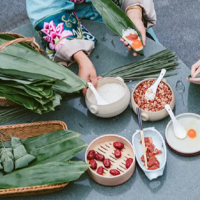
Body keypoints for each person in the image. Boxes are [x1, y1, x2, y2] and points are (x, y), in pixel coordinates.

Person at [26, 0, 157, 95]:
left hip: (117, 17)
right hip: (70, 29)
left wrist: (134, 12)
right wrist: (81, 58)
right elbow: (45, 7)